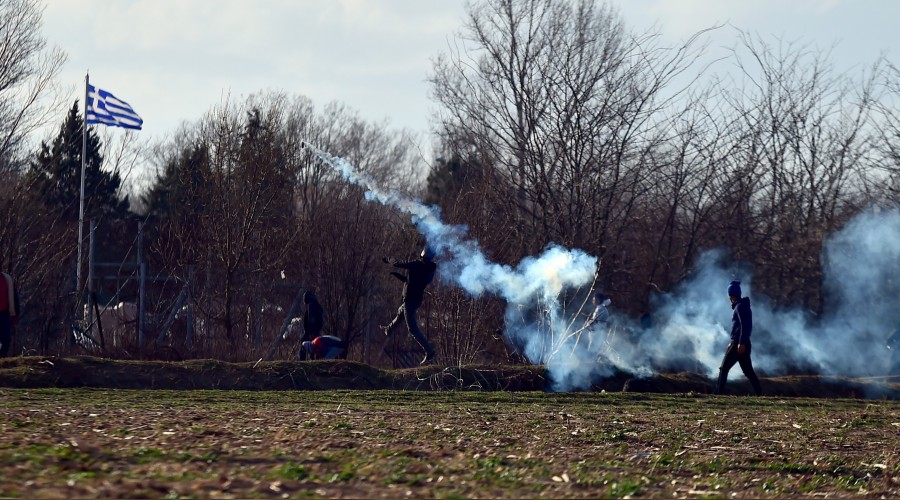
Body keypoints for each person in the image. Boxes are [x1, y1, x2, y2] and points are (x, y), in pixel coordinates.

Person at [381, 245, 437, 365]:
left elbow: (400, 264)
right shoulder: (429, 269)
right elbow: (413, 281)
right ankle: (389, 329)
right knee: (401, 312)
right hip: (416, 300)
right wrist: (400, 276)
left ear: (424, 253)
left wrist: (389, 259)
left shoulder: (417, 265)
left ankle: (430, 353)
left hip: (410, 301)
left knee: (413, 329)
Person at [714, 280, 762, 396]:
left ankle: (718, 395)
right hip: (740, 342)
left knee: (723, 369)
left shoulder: (740, 307)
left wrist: (740, 342)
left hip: (739, 344)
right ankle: (760, 393)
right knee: (748, 371)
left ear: (731, 295)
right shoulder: (742, 306)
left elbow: (745, 326)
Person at [298, 291, 324, 360]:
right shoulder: (318, 306)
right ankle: (314, 359)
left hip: (310, 331)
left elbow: (311, 319)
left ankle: (302, 361)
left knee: (303, 343)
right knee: (315, 346)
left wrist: (311, 332)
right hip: (316, 330)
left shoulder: (311, 306)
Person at [0, 270, 19, 358]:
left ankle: (2, 357)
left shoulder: (7, 278)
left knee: (6, 338)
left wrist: (15, 315)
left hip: (4, 313)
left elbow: (14, 298)